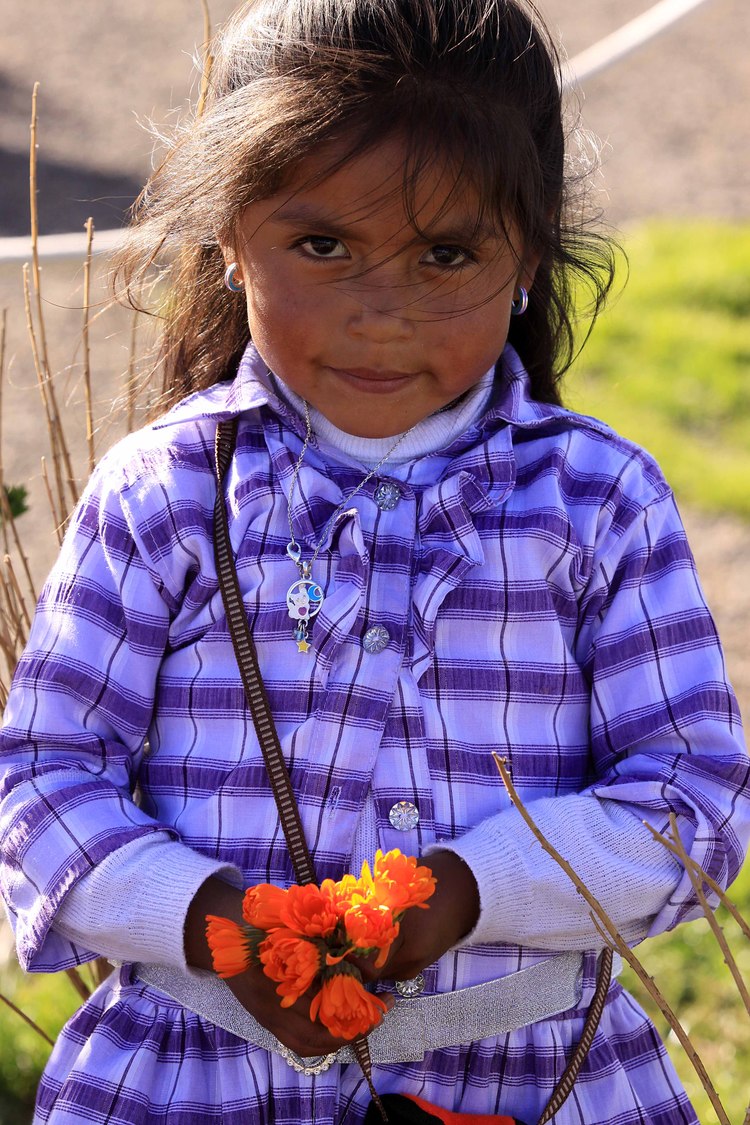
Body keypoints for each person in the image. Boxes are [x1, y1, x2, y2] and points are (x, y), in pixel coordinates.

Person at [1, 0, 747, 1122]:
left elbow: (694, 799)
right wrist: (214, 921)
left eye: (446, 254)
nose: (382, 313)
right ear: (228, 235)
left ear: (530, 253)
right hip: (194, 1082)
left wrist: (464, 893)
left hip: (541, 1082)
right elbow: (40, 779)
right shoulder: (165, 494)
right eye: (322, 246)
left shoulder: (598, 502)